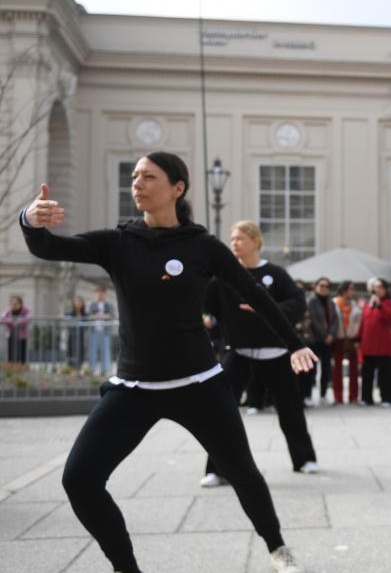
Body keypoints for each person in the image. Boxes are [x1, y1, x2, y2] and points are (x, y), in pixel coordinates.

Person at [20, 151, 317, 573]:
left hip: (199, 386)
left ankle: (277, 548)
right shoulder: (118, 242)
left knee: (242, 472)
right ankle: (126, 568)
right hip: (133, 390)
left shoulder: (203, 247)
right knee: (79, 480)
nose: (137, 183)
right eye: (134, 176)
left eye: (149, 176)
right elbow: (49, 247)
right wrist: (30, 220)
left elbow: (254, 293)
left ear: (178, 188)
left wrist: (295, 344)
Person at [199, 220, 319, 488]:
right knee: (221, 411)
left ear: (256, 241)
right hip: (238, 352)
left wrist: (266, 307)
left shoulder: (275, 274)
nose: (234, 243)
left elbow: (297, 303)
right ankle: (216, 469)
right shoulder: (223, 276)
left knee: (290, 409)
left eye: (240, 238)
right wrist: (207, 316)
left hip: (276, 353)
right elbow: (206, 304)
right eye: (232, 239)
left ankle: (304, 459)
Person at [359, 277, 391, 406]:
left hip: (383, 345)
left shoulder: (389, 303)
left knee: (385, 374)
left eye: (380, 287)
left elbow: (390, 317)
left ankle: (387, 398)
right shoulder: (368, 304)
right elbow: (364, 323)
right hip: (368, 344)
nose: (377, 289)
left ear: (385, 289)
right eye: (375, 287)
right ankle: (366, 398)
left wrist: (380, 305)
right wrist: (359, 339)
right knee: (367, 374)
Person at [307, 278, 340, 404]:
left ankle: (323, 395)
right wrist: (325, 335)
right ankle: (308, 395)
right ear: (316, 286)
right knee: (311, 370)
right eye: (321, 285)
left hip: (327, 342)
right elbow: (313, 320)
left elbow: (335, 321)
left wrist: (331, 335)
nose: (324, 288)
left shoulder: (331, 302)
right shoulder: (311, 301)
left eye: (327, 286)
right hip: (314, 340)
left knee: (326, 369)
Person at [334, 280, 361, 404]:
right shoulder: (334, 303)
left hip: (352, 339)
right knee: (337, 369)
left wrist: (357, 338)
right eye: (351, 288)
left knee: (354, 369)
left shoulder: (355, 305)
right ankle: (338, 397)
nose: (353, 291)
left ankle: (354, 396)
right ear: (344, 290)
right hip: (338, 338)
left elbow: (359, 321)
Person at [87, 285, 116, 376]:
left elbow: (112, 315)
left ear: (105, 294)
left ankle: (105, 370)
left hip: (105, 331)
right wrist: (97, 316)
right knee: (93, 351)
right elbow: (89, 316)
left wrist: (102, 316)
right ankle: (92, 369)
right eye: (98, 293)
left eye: (102, 293)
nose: (100, 295)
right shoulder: (92, 304)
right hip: (94, 331)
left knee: (106, 351)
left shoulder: (109, 305)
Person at [1, 295, 31, 363]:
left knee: (22, 351)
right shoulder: (8, 310)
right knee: (11, 351)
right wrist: (12, 321)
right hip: (11, 334)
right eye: (12, 303)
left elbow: (28, 318)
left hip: (22, 335)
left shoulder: (26, 310)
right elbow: (1, 319)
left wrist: (18, 322)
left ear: (20, 304)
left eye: (16, 303)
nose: (14, 305)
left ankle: (22, 365)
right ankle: (11, 365)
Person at [66, 295, 89, 369]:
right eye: (76, 302)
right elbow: (69, 324)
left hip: (81, 336)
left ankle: (79, 367)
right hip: (72, 336)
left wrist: (79, 324)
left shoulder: (85, 314)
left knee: (80, 351)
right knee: (72, 351)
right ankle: (71, 367)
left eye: (80, 302)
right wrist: (79, 324)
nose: (78, 303)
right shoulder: (70, 313)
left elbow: (86, 326)